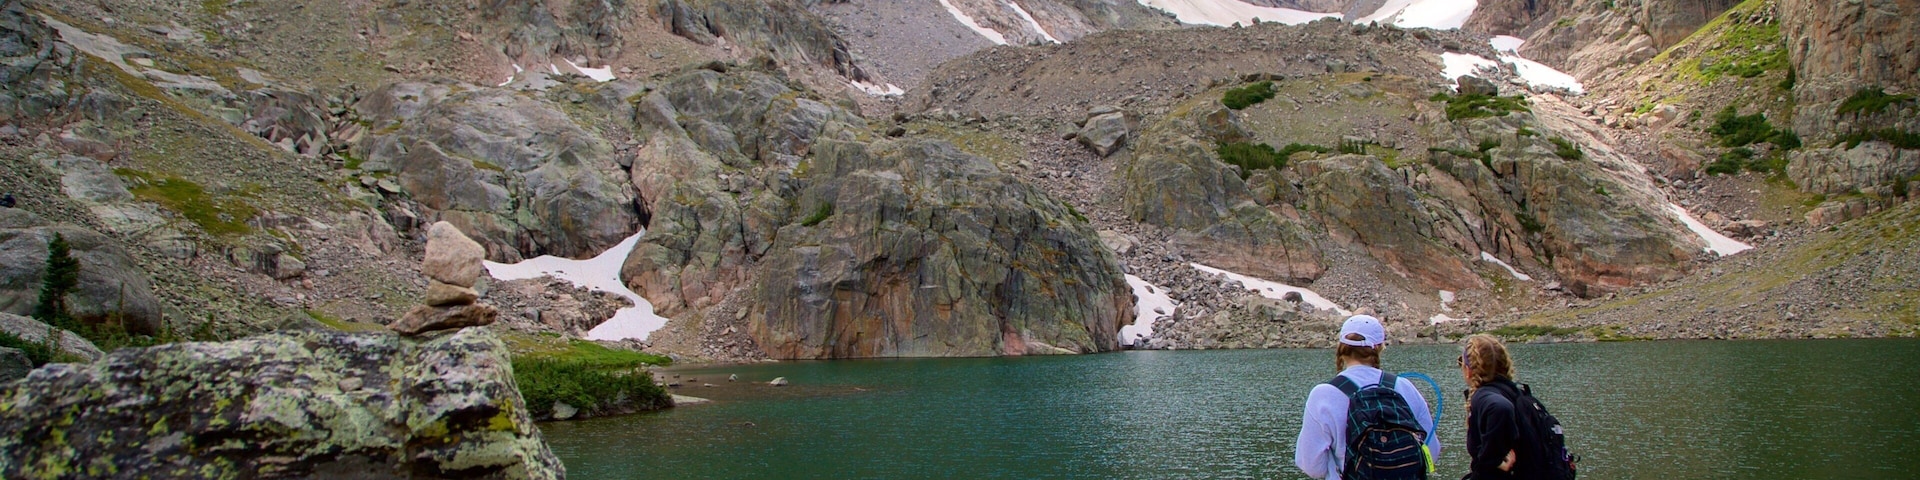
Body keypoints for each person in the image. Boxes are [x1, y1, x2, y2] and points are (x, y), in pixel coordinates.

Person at [1295, 314, 1440, 479]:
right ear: (1379, 348)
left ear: (1341, 347)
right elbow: (1431, 452)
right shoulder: (1404, 387)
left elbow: (1310, 465)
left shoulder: (1323, 395)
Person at [1459, 334, 1526, 479]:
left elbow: (1500, 407)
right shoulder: (1516, 393)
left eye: (1461, 363)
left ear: (1469, 370)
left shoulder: (1485, 397)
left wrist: (1492, 458)